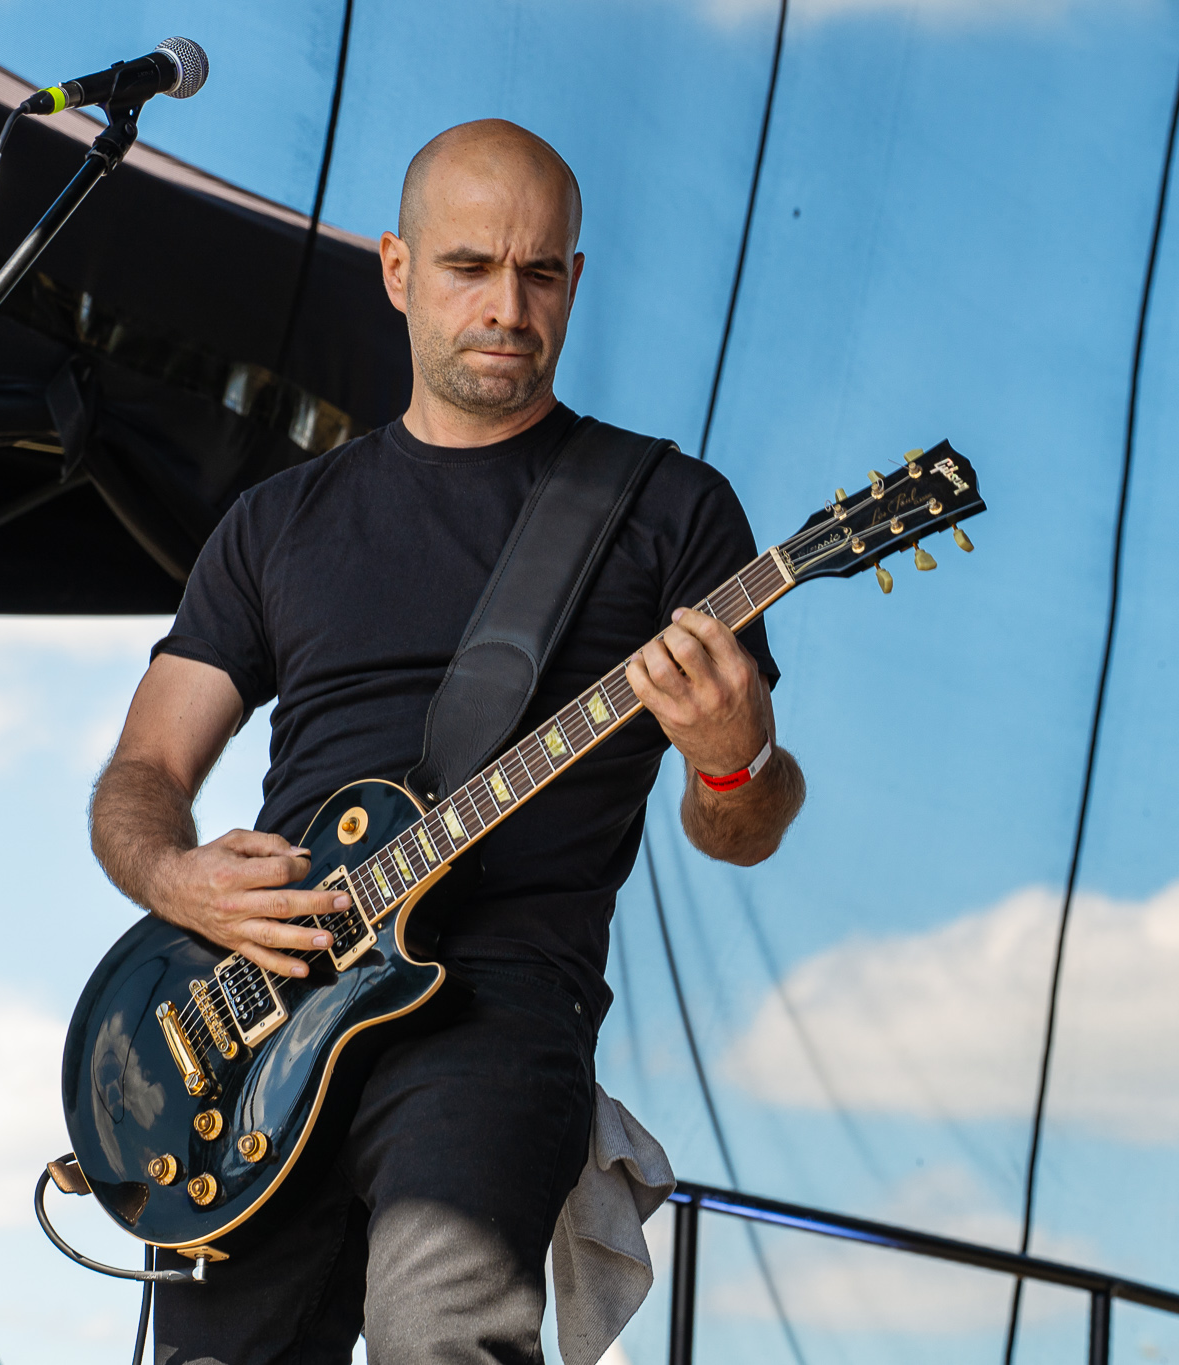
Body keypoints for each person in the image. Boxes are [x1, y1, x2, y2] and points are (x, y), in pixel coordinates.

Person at [89, 119, 806, 1365]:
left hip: (497, 1005)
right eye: (470, 267)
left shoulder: (666, 509)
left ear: (575, 279)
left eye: (539, 274)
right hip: (261, 1017)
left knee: (440, 1333)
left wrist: (732, 756)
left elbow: (742, 830)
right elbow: (143, 772)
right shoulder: (276, 522)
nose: (507, 308)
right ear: (397, 269)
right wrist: (173, 876)